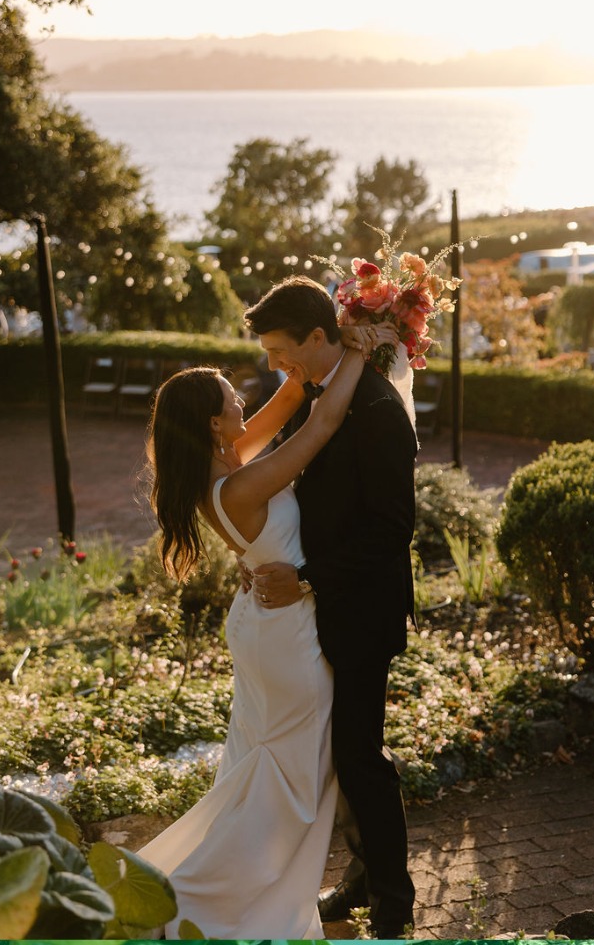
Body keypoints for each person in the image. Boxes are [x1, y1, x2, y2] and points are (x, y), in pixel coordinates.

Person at [137, 322, 394, 938]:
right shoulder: (242, 480)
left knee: (264, 768)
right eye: (230, 396)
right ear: (212, 423)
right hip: (285, 637)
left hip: (263, 623)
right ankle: (199, 899)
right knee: (289, 780)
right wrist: (357, 350)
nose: (241, 398)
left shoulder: (221, 461)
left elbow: (288, 400)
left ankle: (215, 889)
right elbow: (320, 424)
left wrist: (309, 360)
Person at [244, 275, 418, 939]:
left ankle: (393, 905)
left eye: (280, 349)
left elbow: (390, 530)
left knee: (360, 756)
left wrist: (308, 578)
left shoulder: (376, 410)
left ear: (319, 337)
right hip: (320, 610)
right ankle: (363, 877)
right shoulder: (312, 396)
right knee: (338, 755)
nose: (272, 364)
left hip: (363, 613)